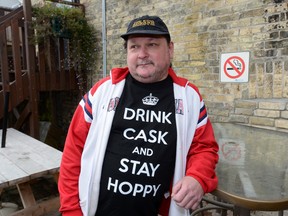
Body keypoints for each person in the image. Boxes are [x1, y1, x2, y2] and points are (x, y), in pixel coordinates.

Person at [58, 15, 219, 216]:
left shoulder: (189, 97)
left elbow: (204, 148)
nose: (142, 54)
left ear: (170, 49)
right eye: (134, 46)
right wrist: (71, 211)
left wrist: (197, 178)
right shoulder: (102, 92)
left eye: (152, 44)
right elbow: (73, 154)